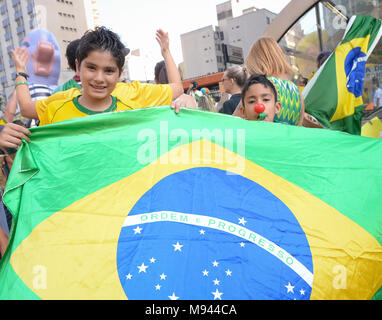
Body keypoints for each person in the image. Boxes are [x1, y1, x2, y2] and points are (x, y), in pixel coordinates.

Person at [11, 27, 184, 125]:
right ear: (78, 67)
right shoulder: (57, 106)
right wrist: (20, 71)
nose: (99, 78)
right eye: (92, 68)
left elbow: (177, 89)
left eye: (109, 71)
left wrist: (166, 51)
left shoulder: (133, 95)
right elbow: (26, 109)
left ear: (119, 73)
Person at [240, 37, 305, 126]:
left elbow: (237, 122)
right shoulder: (296, 91)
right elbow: (299, 125)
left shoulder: (260, 87)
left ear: (256, 61)